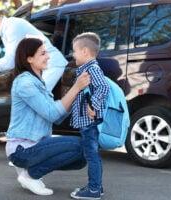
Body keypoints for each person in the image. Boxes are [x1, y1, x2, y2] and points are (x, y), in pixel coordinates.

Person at [6, 37, 90, 196]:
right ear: (29, 58)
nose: (48, 56)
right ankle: (30, 175)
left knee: (82, 158)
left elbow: (57, 117)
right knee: (82, 145)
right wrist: (76, 87)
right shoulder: (25, 83)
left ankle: (29, 173)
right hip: (22, 149)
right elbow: (52, 113)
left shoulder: (39, 82)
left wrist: (79, 98)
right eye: (43, 53)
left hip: (37, 144)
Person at [0, 5, 67, 91]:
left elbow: (10, 62)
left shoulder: (12, 27)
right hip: (43, 68)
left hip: (51, 65)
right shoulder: (6, 31)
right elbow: (14, 59)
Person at [70, 32, 110, 200]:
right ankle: (97, 187)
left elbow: (103, 87)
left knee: (91, 155)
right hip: (88, 122)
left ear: (85, 51)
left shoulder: (91, 69)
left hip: (89, 122)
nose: (73, 54)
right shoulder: (88, 69)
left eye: (75, 51)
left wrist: (93, 104)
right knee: (93, 155)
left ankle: (93, 190)